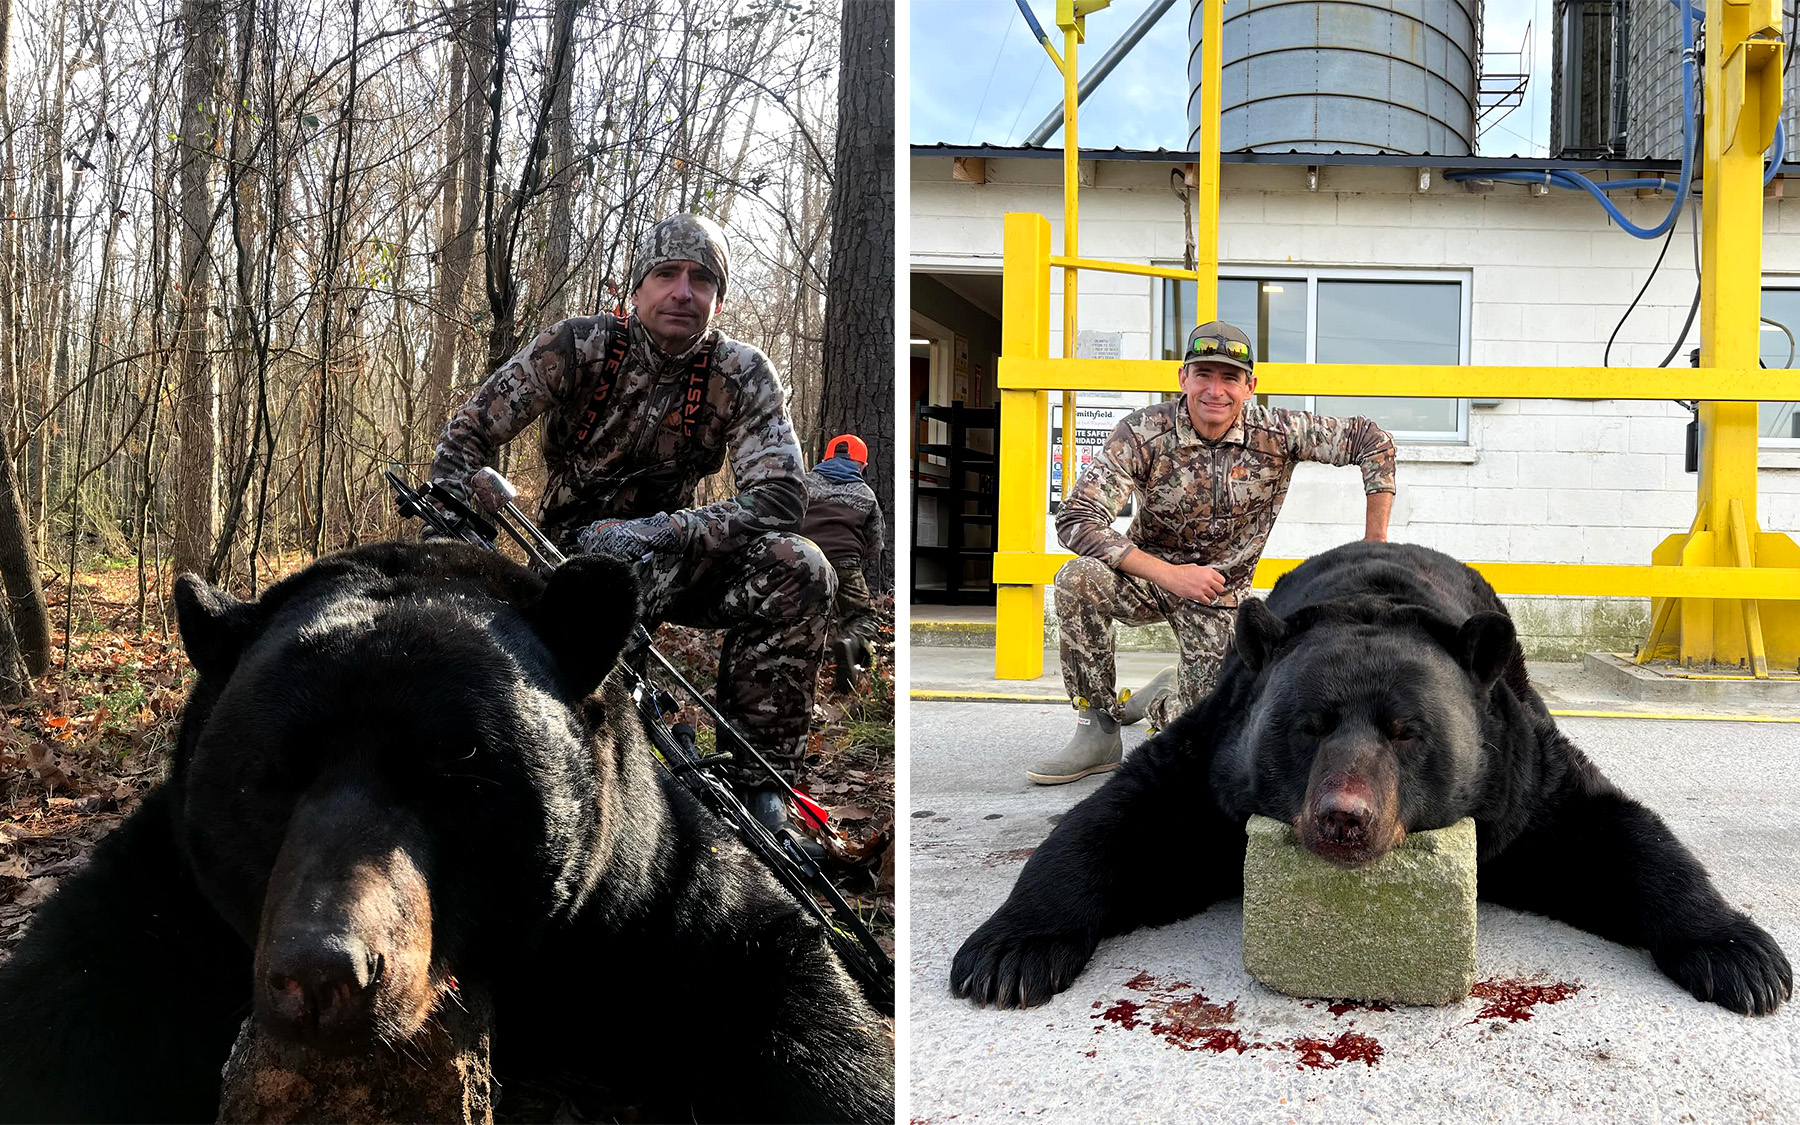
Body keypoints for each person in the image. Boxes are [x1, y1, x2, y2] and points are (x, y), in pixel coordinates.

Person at [429, 212, 833, 832]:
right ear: (636, 287)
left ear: (717, 301)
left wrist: (663, 532)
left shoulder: (741, 373)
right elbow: (463, 443)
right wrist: (463, 550)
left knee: (800, 567)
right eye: (666, 274)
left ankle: (760, 786)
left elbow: (780, 497)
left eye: (702, 280)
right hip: (569, 560)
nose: (682, 291)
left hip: (680, 555)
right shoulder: (577, 346)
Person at [1030, 319, 1396, 785]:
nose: (1215, 390)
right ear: (1183, 378)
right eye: (1203, 374)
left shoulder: (1278, 432)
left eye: (1229, 378)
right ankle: (1097, 724)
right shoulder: (1143, 433)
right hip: (1148, 577)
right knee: (1078, 578)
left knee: (1205, 734)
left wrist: (1374, 542)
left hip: (1220, 596)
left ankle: (1167, 697)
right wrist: (1170, 574)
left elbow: (1373, 441)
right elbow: (1076, 517)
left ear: (1250, 386)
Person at [798, 433, 886, 693]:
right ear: (861, 466)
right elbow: (875, 544)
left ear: (825, 458)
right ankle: (851, 642)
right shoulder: (865, 494)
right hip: (844, 562)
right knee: (863, 616)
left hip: (803, 558)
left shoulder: (804, 483)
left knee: (798, 616)